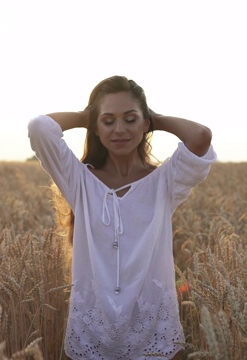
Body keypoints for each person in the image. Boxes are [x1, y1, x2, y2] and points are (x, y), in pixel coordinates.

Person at [27, 75, 216, 359]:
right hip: (91, 331)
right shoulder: (79, 180)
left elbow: (200, 137)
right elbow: (39, 127)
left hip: (153, 331)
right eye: (108, 121)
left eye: (130, 119)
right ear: (96, 127)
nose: (119, 130)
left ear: (145, 124)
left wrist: (155, 118)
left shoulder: (165, 181)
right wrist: (85, 116)